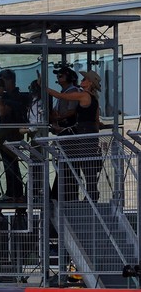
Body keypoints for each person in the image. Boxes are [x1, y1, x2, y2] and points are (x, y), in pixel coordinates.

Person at [46, 70, 103, 202]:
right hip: (90, 132)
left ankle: (92, 194)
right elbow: (96, 120)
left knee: (85, 163)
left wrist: (44, 87)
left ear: (89, 83)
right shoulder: (94, 98)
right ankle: (92, 193)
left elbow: (62, 96)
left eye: (85, 79)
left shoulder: (83, 95)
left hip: (84, 132)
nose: (82, 81)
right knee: (87, 163)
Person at [0, 69, 27, 203]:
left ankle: (15, 192)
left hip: (12, 133)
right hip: (6, 133)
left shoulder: (15, 96)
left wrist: (0, 97)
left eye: (3, 80)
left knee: (11, 163)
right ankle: (12, 192)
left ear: (11, 80)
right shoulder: (6, 95)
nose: (2, 83)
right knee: (8, 164)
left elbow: (2, 113)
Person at [50, 66, 80, 134]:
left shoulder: (73, 91)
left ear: (69, 78)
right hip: (62, 126)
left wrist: (58, 118)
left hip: (69, 126)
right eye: (57, 76)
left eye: (60, 76)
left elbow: (72, 111)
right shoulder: (64, 92)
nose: (58, 78)